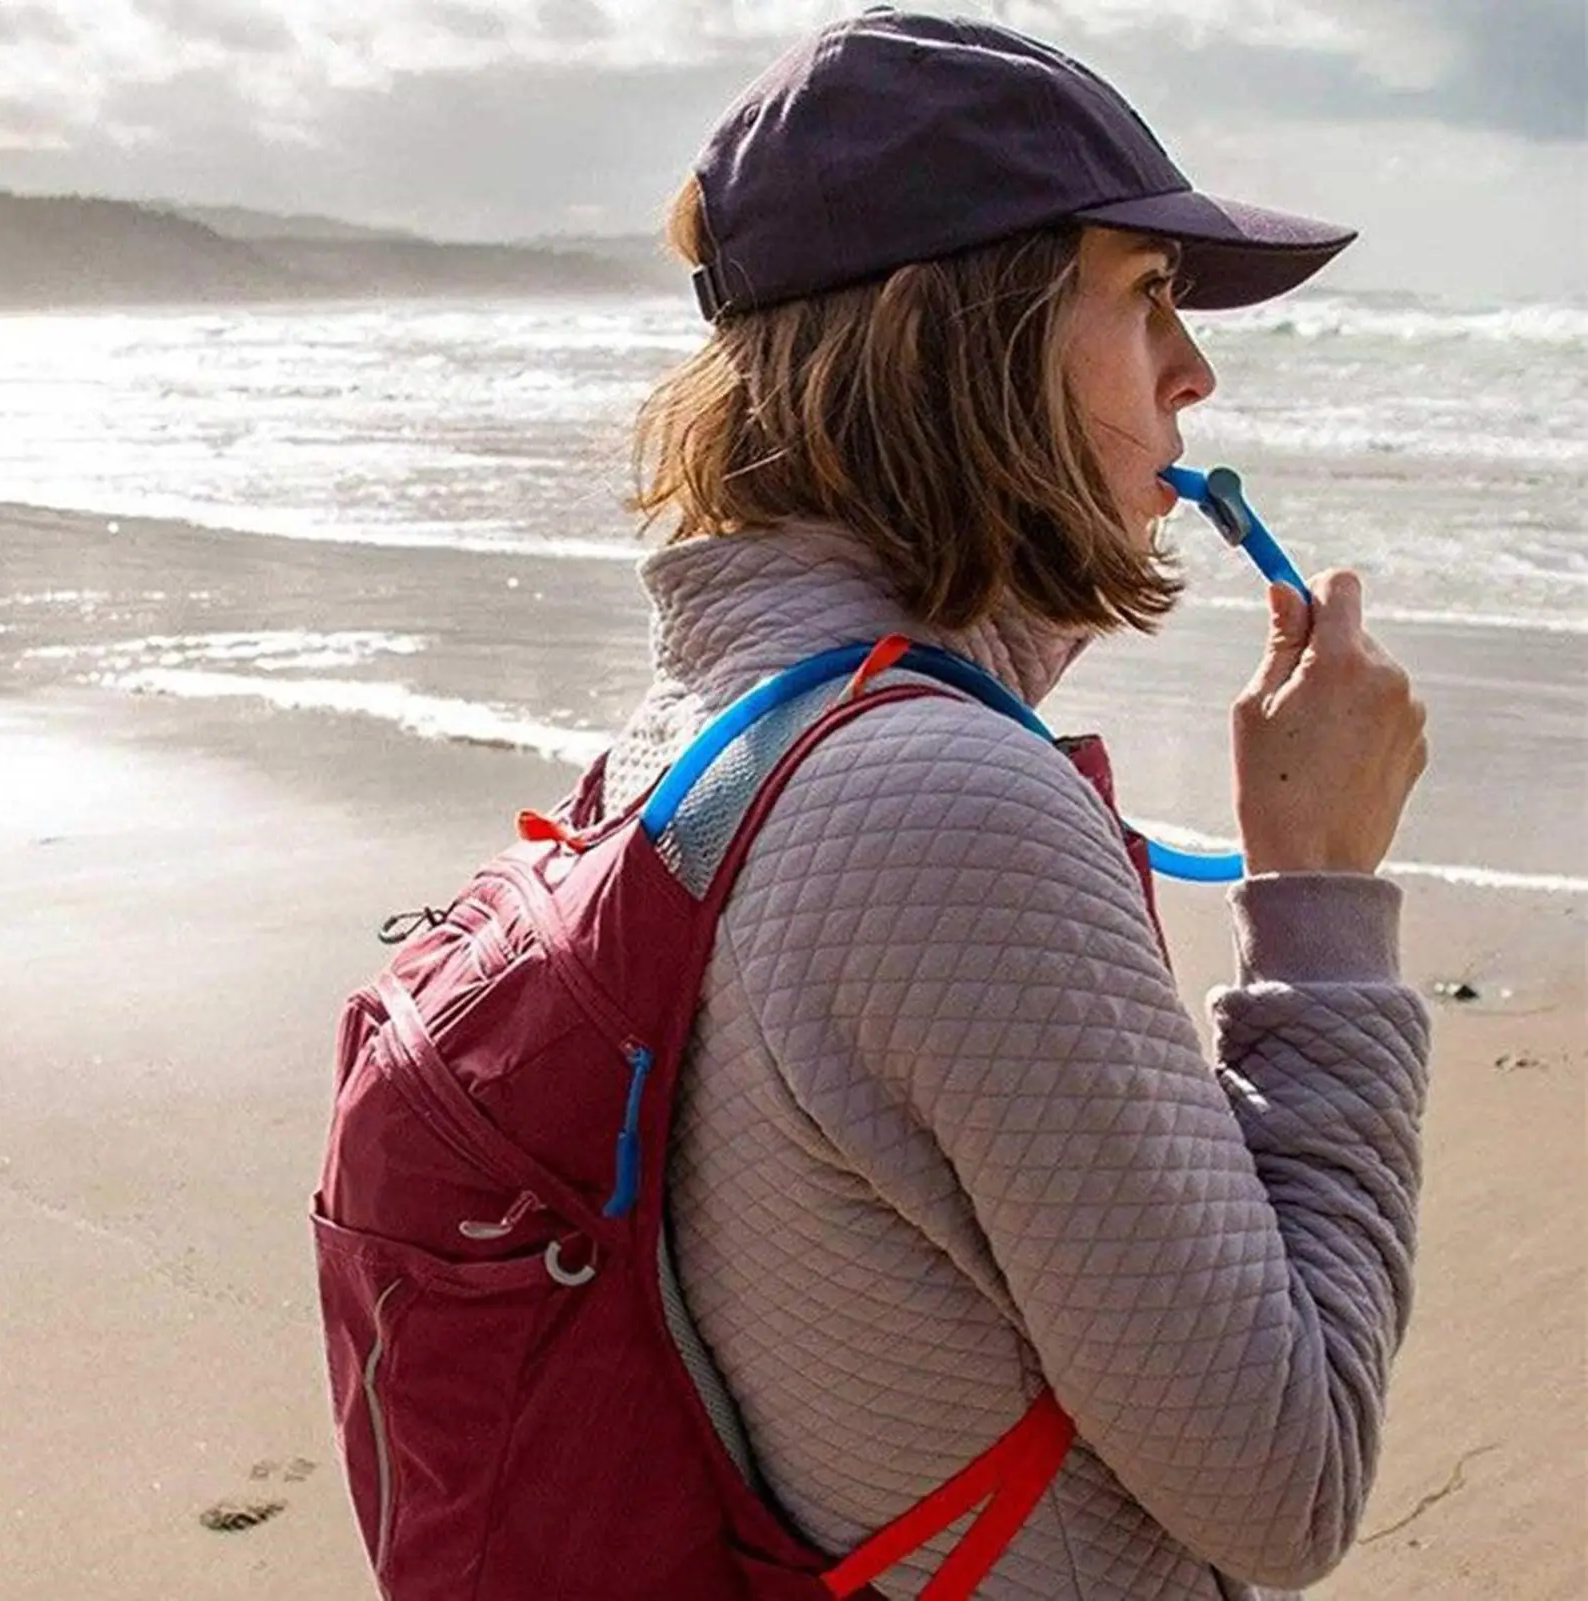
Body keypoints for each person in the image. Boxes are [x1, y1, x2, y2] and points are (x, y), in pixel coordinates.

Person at [604, 10, 1431, 1599]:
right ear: (968, 337)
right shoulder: (938, 807)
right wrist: (1321, 900)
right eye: (1145, 294)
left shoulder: (705, 735)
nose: (1195, 369)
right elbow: (1290, 1486)